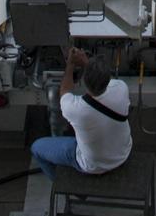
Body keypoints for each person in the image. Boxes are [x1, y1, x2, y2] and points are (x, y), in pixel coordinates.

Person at [31, 49, 132, 181]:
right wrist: (87, 63)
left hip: (93, 165)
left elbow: (65, 90)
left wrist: (70, 64)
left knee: (36, 148)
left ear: (84, 81)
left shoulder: (76, 110)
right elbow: (104, 79)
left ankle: (63, 185)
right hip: (122, 153)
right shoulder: (121, 89)